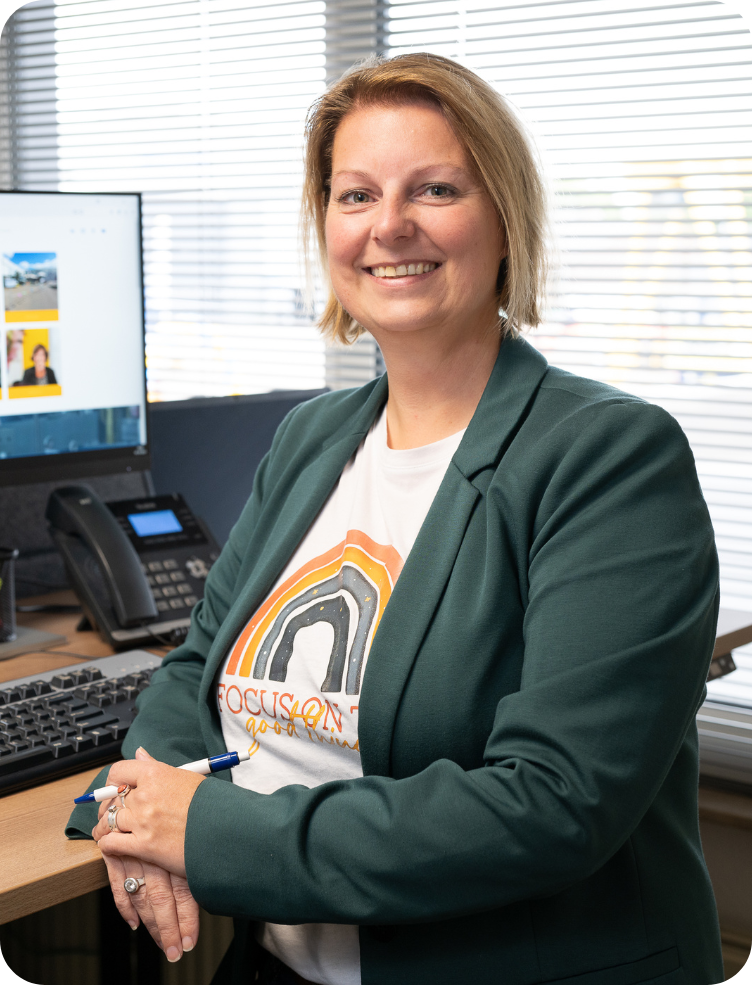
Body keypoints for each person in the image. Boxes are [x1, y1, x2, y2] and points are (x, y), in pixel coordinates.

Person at [67, 53, 723, 985]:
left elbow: (552, 802)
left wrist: (206, 829)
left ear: (505, 218)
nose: (390, 227)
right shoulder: (311, 437)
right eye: (356, 194)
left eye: (437, 188)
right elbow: (189, 670)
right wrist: (138, 810)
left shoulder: (610, 457)